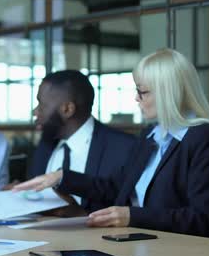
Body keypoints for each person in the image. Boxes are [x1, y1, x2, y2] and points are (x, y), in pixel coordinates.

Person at [14, 48, 209, 238]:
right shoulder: (151, 135)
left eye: (142, 92)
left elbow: (205, 219)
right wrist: (62, 177)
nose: (136, 99)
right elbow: (117, 187)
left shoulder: (204, 139)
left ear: (168, 93)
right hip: (139, 246)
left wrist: (132, 216)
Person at [26, 70, 136, 213]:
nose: (35, 111)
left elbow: (127, 206)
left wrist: (78, 214)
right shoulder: (46, 144)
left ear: (67, 109)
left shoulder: (123, 148)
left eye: (41, 105)